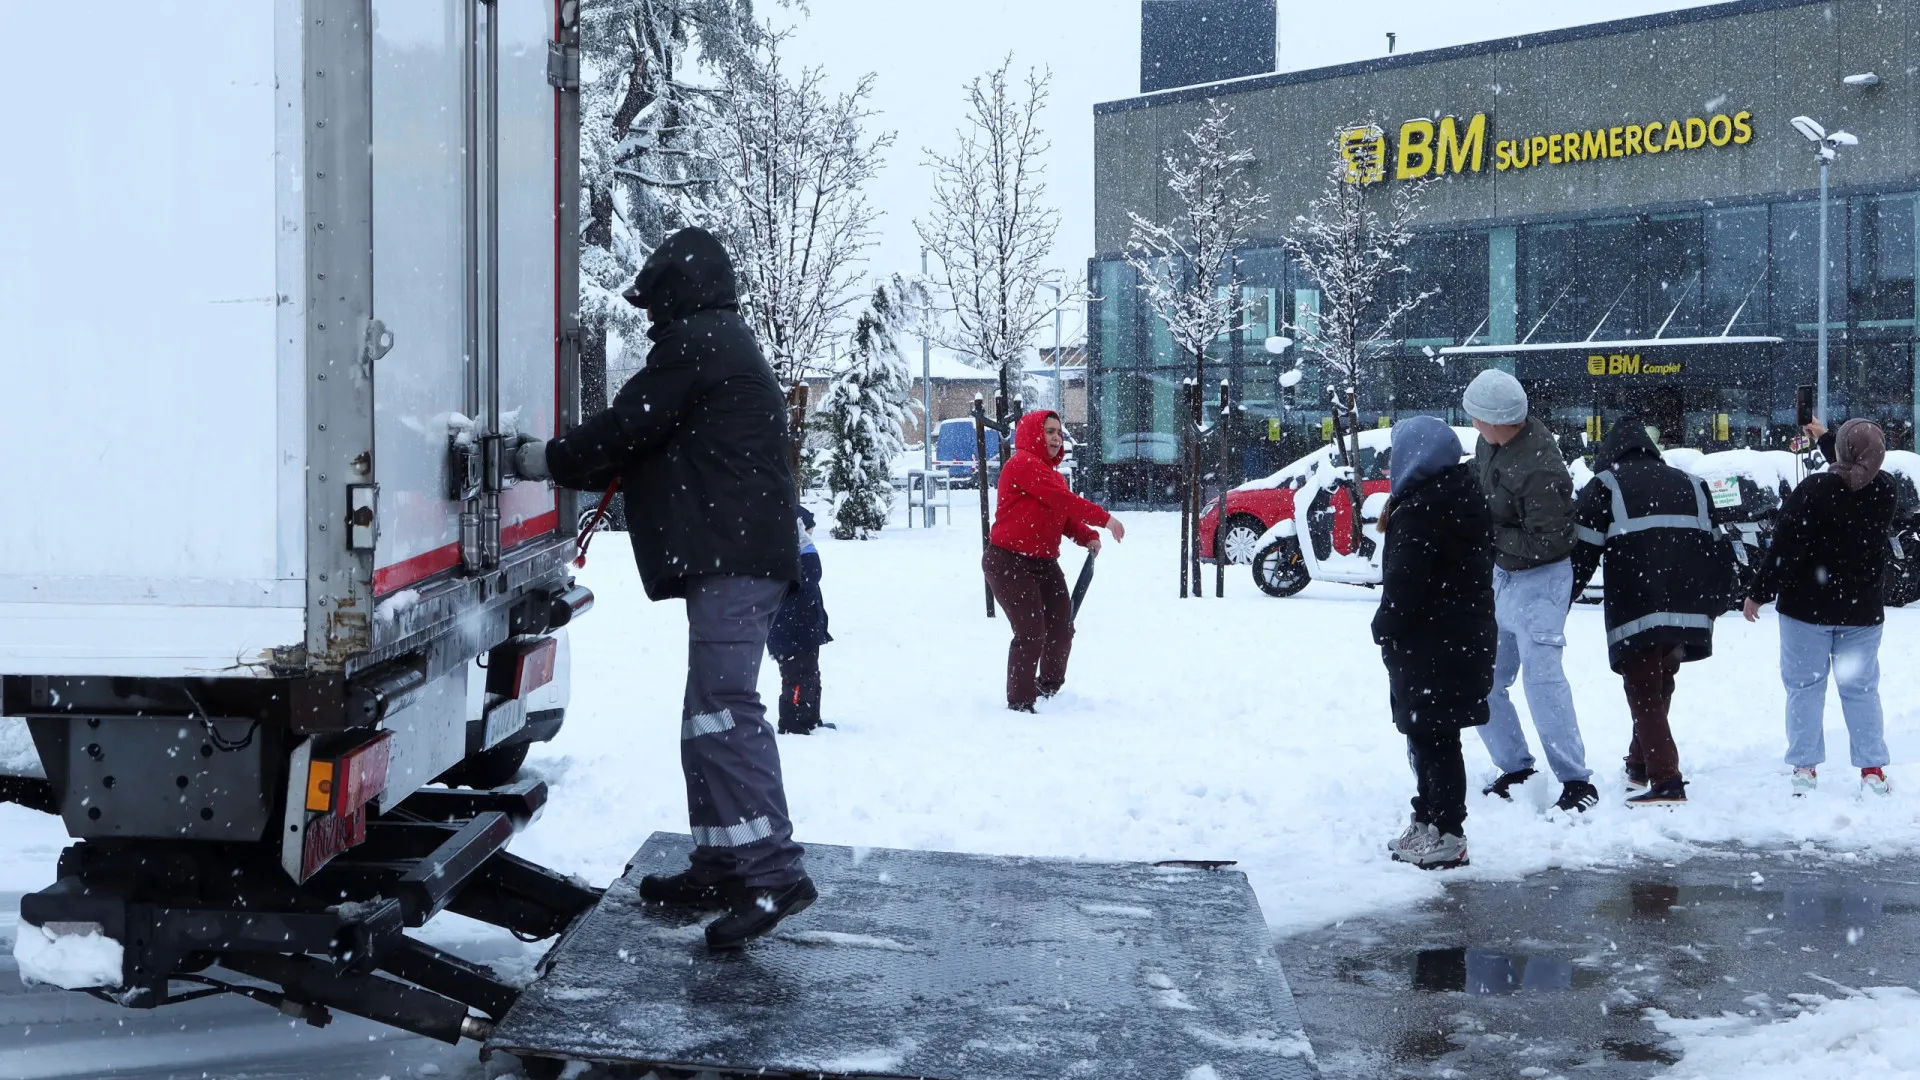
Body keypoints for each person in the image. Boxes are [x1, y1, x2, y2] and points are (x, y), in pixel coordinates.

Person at [513, 227, 814, 949]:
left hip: (737, 561)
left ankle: (773, 873)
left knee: (725, 711)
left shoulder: (698, 345)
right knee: (704, 714)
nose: (651, 319)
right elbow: (642, 442)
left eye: (655, 304)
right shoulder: (722, 343)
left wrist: (537, 460)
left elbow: (625, 430)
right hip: (741, 556)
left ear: (681, 293)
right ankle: (719, 860)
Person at [1568, 419, 1731, 806]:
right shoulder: (1692, 483)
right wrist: (1718, 598)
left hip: (1639, 602)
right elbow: (1719, 544)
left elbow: (1583, 554)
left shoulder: (1606, 484)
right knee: (1658, 683)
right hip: (1688, 604)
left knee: (1642, 688)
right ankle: (1640, 766)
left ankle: (1666, 780)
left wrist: (1562, 598)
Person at [1459, 369, 1598, 814]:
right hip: (1502, 576)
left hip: (1541, 582)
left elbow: (1552, 542)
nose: (1473, 426)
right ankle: (1515, 767)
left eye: (1477, 418)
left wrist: (1489, 532)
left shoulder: (1540, 467)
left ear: (1498, 419)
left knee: (1543, 684)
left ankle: (1576, 781)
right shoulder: (1491, 443)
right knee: (1484, 680)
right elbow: (1482, 481)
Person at [1744, 418, 1896, 797]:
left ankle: (1805, 767)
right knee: (1861, 690)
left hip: (1806, 610)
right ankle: (1872, 769)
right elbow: (1858, 473)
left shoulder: (1814, 489)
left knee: (1804, 688)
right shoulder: (1886, 489)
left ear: (1846, 452)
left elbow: (1785, 545)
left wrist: (1759, 592)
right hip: (1862, 612)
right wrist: (1828, 439)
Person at [1373, 416, 1495, 870]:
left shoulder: (1424, 508)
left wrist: (1384, 627)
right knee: (1432, 736)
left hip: (1433, 643)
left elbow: (1405, 586)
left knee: (1435, 739)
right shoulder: (1455, 496)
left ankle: (1446, 832)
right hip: (1454, 640)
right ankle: (1429, 821)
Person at [983, 410, 1124, 712]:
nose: (1057, 437)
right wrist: (1104, 520)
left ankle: (1047, 687)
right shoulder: (1021, 464)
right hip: (1009, 561)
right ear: (1034, 433)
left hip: (1044, 563)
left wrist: (1086, 535)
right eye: (1049, 431)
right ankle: (1020, 703)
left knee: (1061, 627)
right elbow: (1064, 502)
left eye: (1059, 432)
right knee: (1031, 633)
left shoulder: (1052, 476)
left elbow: (1062, 516)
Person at [768, 505, 832, 735]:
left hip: (802, 627)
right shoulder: (786, 554)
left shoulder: (786, 552)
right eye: (807, 531)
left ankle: (811, 720)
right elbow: (813, 572)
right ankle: (794, 723)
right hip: (791, 629)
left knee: (810, 673)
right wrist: (805, 544)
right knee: (798, 676)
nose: (809, 536)